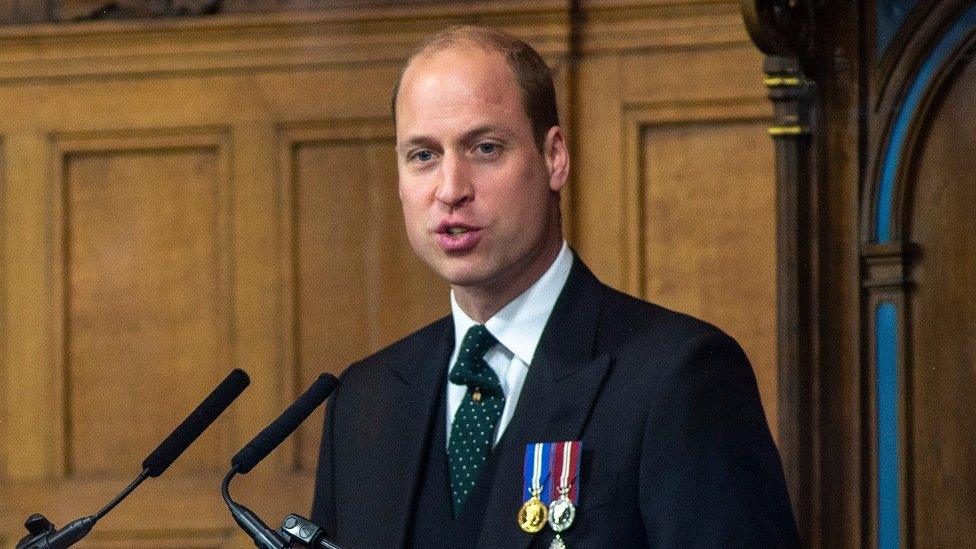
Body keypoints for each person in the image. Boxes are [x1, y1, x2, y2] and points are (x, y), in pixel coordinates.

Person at [310, 25, 799, 548]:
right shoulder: (365, 402)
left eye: (485, 148)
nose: (450, 190)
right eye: (423, 156)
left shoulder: (677, 378)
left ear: (554, 157)